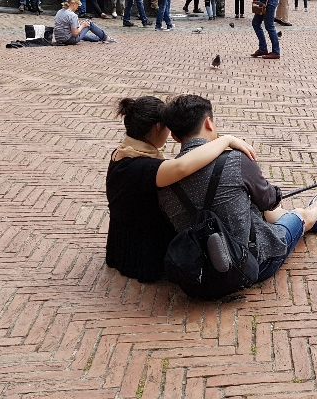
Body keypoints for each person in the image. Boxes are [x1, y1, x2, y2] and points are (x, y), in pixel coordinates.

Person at [159, 95, 317, 291]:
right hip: (251, 264)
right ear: (209, 123)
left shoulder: (163, 177)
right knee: (299, 215)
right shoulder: (235, 160)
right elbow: (270, 201)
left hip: (198, 273)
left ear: (174, 136)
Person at [106, 96, 261, 282]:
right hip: (144, 257)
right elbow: (182, 167)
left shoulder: (122, 154)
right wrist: (225, 140)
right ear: (158, 127)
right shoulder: (142, 168)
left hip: (122, 247)